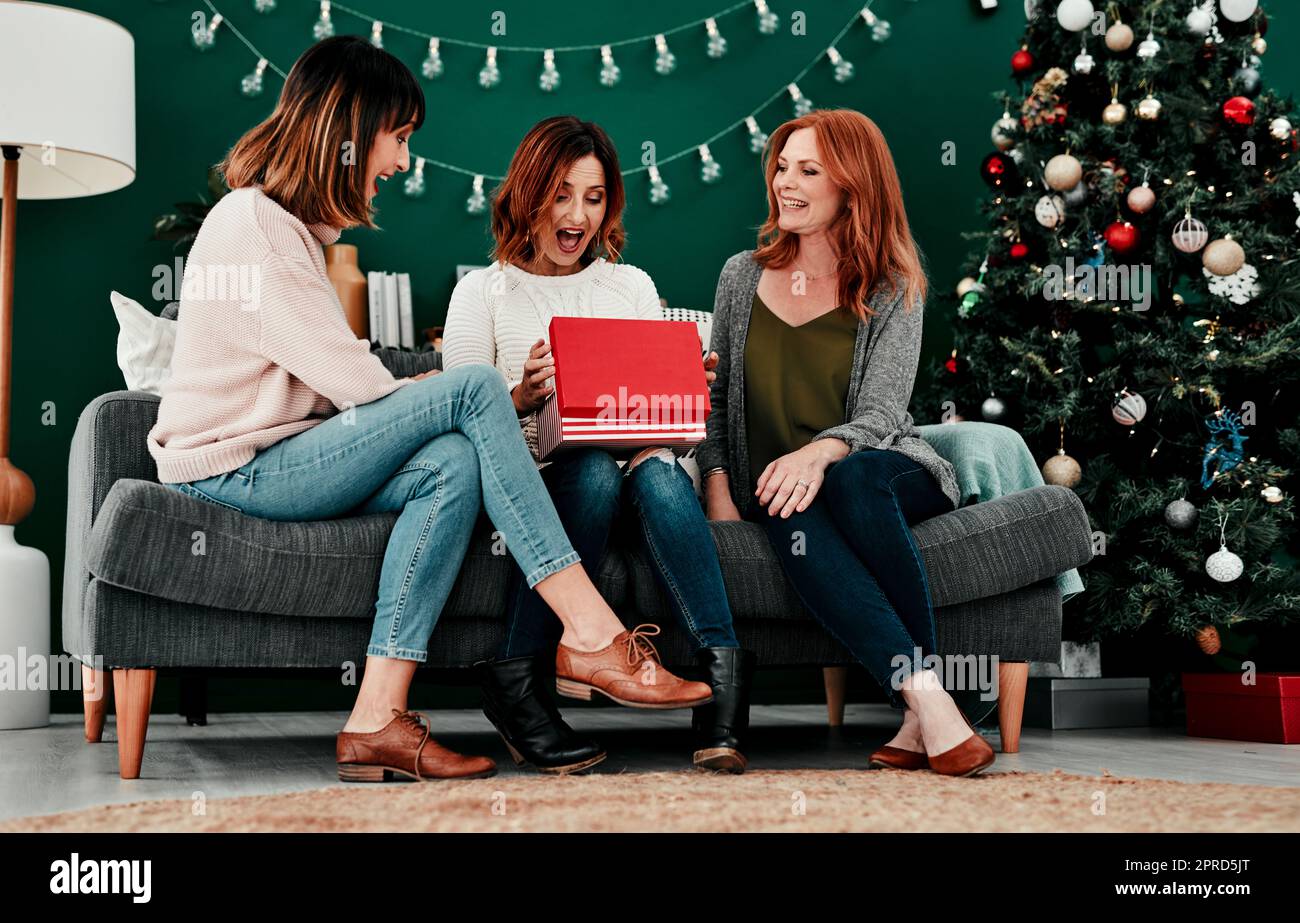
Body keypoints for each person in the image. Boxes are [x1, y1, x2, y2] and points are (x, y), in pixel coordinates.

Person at [147, 38, 710, 784]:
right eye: (400, 138)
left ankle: (376, 715)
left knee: (448, 465)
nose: (404, 162)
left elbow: (344, 391)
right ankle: (589, 627)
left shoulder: (284, 229)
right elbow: (359, 387)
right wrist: (463, 397)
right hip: (234, 469)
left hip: (283, 454)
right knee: (473, 387)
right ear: (351, 131)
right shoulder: (254, 226)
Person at [443, 116, 753, 774]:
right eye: (559, 193)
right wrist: (521, 395)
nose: (577, 215)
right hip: (545, 481)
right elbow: (457, 422)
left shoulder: (630, 286)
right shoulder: (482, 291)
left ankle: (721, 694)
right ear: (527, 193)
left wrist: (679, 390)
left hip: (636, 467)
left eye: (593, 197)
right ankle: (520, 681)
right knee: (590, 469)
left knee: (662, 476)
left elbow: (655, 424)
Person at [697, 109, 995, 778]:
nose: (785, 182)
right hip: (783, 488)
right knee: (788, 499)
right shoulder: (741, 276)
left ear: (852, 186)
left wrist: (821, 449)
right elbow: (714, 402)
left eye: (808, 170)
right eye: (781, 166)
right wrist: (718, 486)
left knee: (850, 479)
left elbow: (883, 412)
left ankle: (922, 705)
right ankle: (929, 707)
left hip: (883, 468)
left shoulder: (894, 281)